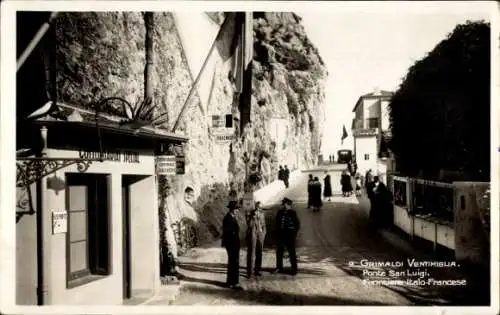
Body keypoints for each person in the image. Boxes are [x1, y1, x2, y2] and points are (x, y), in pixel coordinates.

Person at [273, 197, 300, 275]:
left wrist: (293, 234)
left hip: (290, 236)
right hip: (281, 235)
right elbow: (277, 223)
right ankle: (279, 268)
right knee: (279, 252)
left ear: (288, 205)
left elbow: (297, 225)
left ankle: (294, 269)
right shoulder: (280, 212)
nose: (283, 206)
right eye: (283, 205)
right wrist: (277, 233)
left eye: (285, 205)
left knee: (292, 253)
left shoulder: (293, 213)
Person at [222, 200, 243, 290]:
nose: (237, 210)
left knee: (234, 262)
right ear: (232, 210)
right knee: (233, 263)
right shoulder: (228, 218)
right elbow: (229, 233)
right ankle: (233, 283)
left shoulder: (232, 217)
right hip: (231, 244)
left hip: (233, 243)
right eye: (236, 209)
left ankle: (231, 282)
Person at [246, 201, 267, 278]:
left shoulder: (262, 214)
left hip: (260, 235)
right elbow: (249, 225)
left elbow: (264, 225)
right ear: (255, 207)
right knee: (251, 253)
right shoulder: (250, 214)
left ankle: (258, 270)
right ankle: (250, 272)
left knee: (259, 253)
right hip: (253, 235)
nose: (259, 209)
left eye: (260, 208)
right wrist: (252, 217)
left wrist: (263, 234)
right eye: (258, 208)